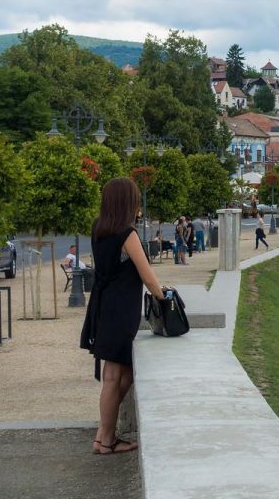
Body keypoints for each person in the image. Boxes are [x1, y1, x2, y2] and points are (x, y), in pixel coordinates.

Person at [80, 178, 166, 455]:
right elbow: (147, 276)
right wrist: (165, 299)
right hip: (120, 310)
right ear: (128, 203)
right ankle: (105, 440)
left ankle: (103, 435)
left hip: (104, 306)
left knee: (121, 374)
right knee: (114, 376)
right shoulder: (126, 233)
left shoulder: (99, 228)